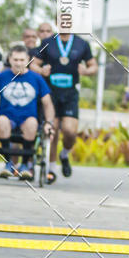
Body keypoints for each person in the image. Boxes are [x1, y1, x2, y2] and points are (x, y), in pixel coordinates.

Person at [30, 31, 98, 183]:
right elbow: (33, 63)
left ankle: (65, 154)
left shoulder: (82, 43)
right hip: (51, 92)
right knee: (52, 130)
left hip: (70, 95)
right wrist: (41, 70)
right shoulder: (48, 41)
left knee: (69, 131)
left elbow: (93, 66)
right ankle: (51, 169)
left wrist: (86, 71)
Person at [0, 43, 54, 179]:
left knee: (32, 123)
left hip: (28, 119)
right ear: (9, 59)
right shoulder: (2, 77)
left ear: (28, 59)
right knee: (2, 120)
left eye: (22, 60)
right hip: (8, 118)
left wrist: (49, 123)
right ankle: (8, 164)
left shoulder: (37, 79)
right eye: (15, 60)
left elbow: (47, 104)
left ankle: (24, 166)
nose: (18, 63)